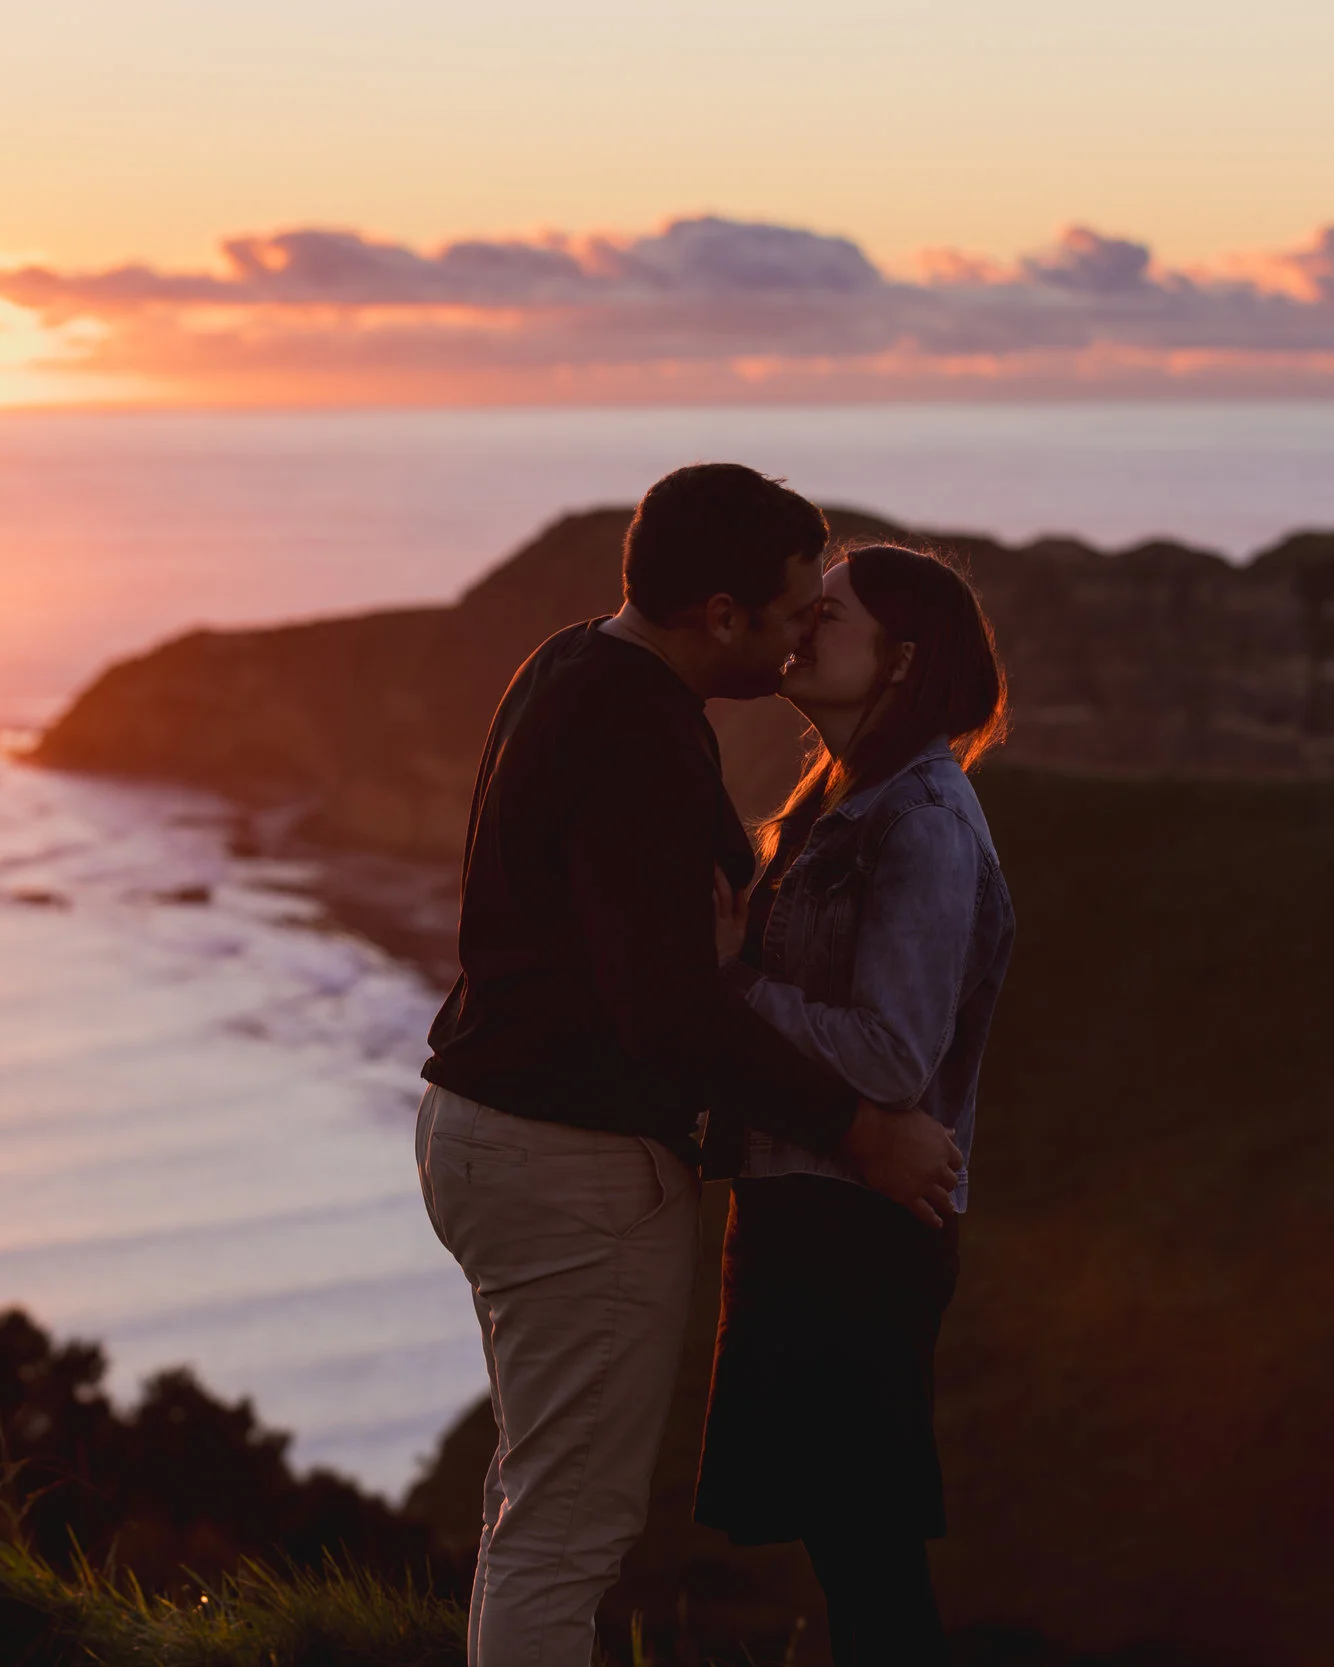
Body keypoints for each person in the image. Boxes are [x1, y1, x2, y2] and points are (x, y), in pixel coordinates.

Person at [414, 467, 965, 1667]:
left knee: (536, 1492)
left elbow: (681, 896)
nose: (792, 643)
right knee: (570, 1523)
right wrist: (860, 1127)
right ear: (719, 614)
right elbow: (664, 1011)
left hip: (485, 1127)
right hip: (572, 1160)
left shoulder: (578, 664)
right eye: (785, 616)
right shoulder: (637, 734)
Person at [694, 543, 1016, 1667]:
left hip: (859, 1229)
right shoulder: (843, 794)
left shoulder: (919, 818)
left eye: (827, 613)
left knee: (868, 1559)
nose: (798, 623)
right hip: (812, 1213)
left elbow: (889, 1054)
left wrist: (736, 980)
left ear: (900, 659)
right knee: (851, 1553)